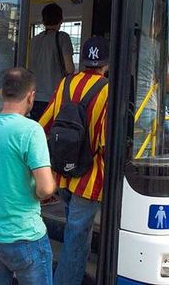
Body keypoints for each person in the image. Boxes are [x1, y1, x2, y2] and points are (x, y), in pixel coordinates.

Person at [0, 67, 56, 285]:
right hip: (24, 236)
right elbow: (46, 188)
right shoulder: (31, 131)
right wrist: (38, 192)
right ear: (31, 95)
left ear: (1, 92)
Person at [38, 37, 109, 285]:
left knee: (77, 234)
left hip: (61, 175)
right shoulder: (108, 90)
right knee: (76, 241)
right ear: (106, 64)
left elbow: (44, 124)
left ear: (83, 61)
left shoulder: (66, 83)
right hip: (89, 181)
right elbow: (104, 145)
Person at [29, 3, 75, 121]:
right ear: (61, 20)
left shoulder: (34, 40)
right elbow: (70, 69)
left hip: (34, 98)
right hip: (54, 98)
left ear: (43, 22)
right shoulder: (63, 38)